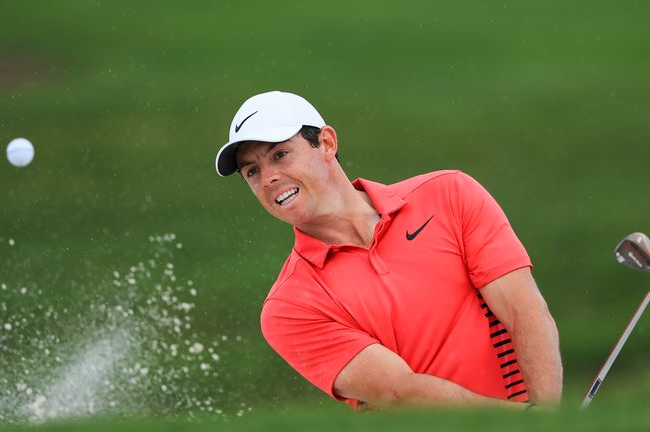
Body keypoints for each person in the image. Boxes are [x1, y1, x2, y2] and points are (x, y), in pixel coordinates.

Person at [215, 91, 562, 410]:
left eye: (280, 155)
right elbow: (397, 392)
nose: (268, 178)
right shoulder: (289, 307)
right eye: (252, 171)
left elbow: (524, 311)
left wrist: (548, 418)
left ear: (326, 143)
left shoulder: (449, 195)